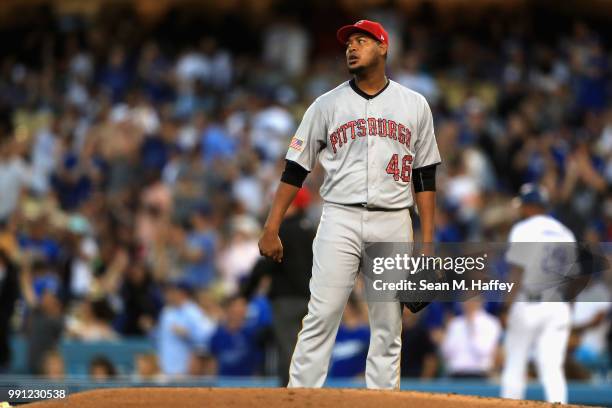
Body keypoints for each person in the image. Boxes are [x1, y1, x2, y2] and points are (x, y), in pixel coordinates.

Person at [258, 19, 440, 389]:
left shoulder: (414, 104)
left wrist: (428, 242)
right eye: (348, 43)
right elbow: (295, 167)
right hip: (339, 216)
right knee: (321, 314)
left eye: (362, 41)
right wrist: (271, 225)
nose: (351, 48)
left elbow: (425, 176)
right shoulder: (327, 105)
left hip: (393, 219)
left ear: (384, 47)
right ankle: (300, 397)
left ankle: (382, 399)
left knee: (388, 325)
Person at [501, 183, 577, 404]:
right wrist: (569, 307)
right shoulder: (566, 232)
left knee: (515, 362)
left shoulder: (524, 229)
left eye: (523, 205)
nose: (520, 210)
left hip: (529, 302)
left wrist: (506, 307)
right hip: (558, 304)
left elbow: (517, 271)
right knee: (552, 368)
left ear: (530, 206)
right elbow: (575, 278)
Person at [241, 187, 315, 386]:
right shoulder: (314, 229)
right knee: (310, 348)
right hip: (313, 299)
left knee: (288, 347)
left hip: (287, 299)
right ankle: (310, 391)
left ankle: (291, 394)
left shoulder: (283, 229)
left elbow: (265, 264)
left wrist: (245, 293)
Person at [440, 298, 501, 378]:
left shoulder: (491, 323)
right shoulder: (455, 323)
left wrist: (471, 326)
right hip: (455, 375)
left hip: (480, 375)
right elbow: (446, 353)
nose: (469, 304)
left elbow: (483, 351)